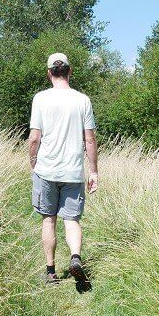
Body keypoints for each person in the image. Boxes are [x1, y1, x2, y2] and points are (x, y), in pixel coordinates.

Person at [27, 52, 99, 289]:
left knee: (49, 220)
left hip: (46, 169)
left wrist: (33, 161)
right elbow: (89, 139)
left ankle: (50, 273)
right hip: (73, 171)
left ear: (49, 73)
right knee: (72, 220)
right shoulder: (83, 100)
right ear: (70, 71)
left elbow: (34, 137)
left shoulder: (40, 99)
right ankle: (75, 257)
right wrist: (93, 171)